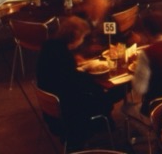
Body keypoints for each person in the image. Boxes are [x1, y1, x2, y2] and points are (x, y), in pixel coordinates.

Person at [35, 17, 124, 146]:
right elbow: (75, 84)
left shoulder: (49, 47)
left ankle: (107, 124)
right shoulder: (64, 56)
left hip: (52, 109)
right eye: (82, 37)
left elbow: (66, 77)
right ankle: (105, 126)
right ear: (75, 37)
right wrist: (96, 80)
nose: (82, 41)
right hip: (70, 113)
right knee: (113, 92)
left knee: (101, 92)